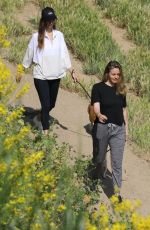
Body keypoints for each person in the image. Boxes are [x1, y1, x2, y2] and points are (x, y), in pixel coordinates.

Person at [21, 7, 77, 135]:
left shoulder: (59, 35)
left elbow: (64, 54)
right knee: (46, 104)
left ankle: (38, 117)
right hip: (41, 76)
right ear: (43, 21)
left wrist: (71, 70)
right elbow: (29, 54)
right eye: (48, 20)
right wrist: (22, 69)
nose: (51, 22)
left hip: (56, 75)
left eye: (52, 19)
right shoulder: (36, 37)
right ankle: (45, 134)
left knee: (51, 104)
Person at [91, 60, 128, 201]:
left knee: (117, 163)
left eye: (118, 74)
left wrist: (126, 129)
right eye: (114, 74)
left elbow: (124, 110)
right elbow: (96, 105)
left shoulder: (121, 89)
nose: (116, 77)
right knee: (99, 157)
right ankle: (95, 175)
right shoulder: (98, 88)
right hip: (102, 127)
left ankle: (117, 193)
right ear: (107, 73)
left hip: (119, 129)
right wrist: (99, 115)